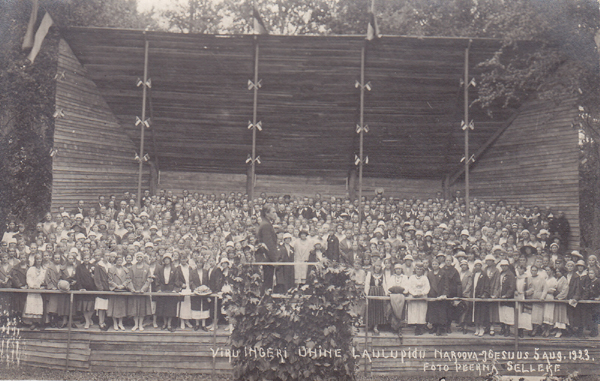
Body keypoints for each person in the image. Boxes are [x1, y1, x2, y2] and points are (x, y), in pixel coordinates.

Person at [154, 253, 182, 332]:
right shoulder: (160, 269)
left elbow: (177, 280)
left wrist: (175, 290)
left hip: (171, 289)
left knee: (170, 308)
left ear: (170, 260)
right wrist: (158, 289)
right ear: (163, 260)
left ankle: (169, 324)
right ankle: (164, 323)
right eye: (165, 259)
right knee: (163, 307)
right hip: (162, 289)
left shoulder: (175, 269)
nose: (167, 261)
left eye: (168, 259)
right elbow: (157, 280)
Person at [256, 205, 279, 293]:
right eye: (273, 212)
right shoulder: (266, 225)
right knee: (267, 284)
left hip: (268, 258)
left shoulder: (267, 224)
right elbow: (269, 245)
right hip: (267, 259)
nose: (275, 214)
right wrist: (275, 260)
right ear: (266, 213)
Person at [128, 252, 152, 331]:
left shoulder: (147, 267)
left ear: (143, 258)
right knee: (135, 308)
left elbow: (149, 279)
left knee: (142, 308)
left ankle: (140, 324)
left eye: (140, 257)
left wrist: (143, 289)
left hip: (142, 291)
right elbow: (128, 279)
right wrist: (132, 288)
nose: (139, 259)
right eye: (137, 257)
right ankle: (135, 324)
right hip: (135, 290)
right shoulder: (132, 267)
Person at [107, 255, 130, 331]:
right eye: (118, 260)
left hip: (122, 290)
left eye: (121, 260)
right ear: (115, 261)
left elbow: (128, 279)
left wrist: (123, 285)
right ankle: (115, 323)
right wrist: (116, 286)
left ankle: (120, 323)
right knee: (114, 307)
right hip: (115, 291)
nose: (119, 262)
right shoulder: (111, 269)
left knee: (121, 308)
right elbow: (109, 280)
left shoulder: (125, 269)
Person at [23, 254, 46, 330]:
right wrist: (33, 286)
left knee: (39, 306)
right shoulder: (31, 269)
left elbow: (44, 280)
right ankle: (32, 323)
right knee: (32, 305)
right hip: (32, 290)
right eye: (37, 259)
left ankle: (39, 323)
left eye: (40, 259)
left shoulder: (44, 270)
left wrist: (40, 286)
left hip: (40, 291)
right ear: (35, 260)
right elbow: (28, 279)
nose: (39, 261)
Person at [406, 262, 430, 335]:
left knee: (421, 312)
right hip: (414, 296)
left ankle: (420, 327)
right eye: (417, 269)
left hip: (422, 296)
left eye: (420, 269)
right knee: (414, 311)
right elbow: (409, 286)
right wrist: (414, 293)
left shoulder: (425, 278)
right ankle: (415, 326)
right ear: (415, 270)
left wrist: (422, 293)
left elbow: (427, 287)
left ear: (422, 270)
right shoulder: (412, 277)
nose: (419, 271)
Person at [427, 258, 448, 336]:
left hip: (440, 295)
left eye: (436, 264)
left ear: (439, 265)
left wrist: (444, 294)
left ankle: (440, 328)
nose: (434, 266)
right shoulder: (430, 274)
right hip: (432, 295)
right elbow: (427, 284)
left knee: (440, 313)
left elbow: (446, 285)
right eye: (433, 264)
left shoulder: (443, 273)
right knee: (433, 312)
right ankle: (434, 327)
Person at [364, 261, 386, 334]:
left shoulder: (382, 275)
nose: (378, 268)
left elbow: (384, 284)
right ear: (374, 266)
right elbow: (367, 284)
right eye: (376, 266)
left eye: (379, 266)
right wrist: (367, 293)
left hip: (379, 292)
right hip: (372, 292)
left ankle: (376, 326)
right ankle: (370, 324)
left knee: (378, 309)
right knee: (371, 308)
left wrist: (385, 293)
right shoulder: (370, 274)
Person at [76, 253, 97, 329]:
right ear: (82, 259)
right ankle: (87, 322)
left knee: (91, 307)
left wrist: (93, 277)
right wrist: (80, 288)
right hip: (83, 289)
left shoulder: (93, 266)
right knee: (84, 307)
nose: (86, 260)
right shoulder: (79, 267)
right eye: (85, 258)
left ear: (90, 258)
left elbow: (97, 278)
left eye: (88, 258)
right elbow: (78, 278)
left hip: (92, 289)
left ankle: (89, 319)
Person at [386, 263, 408, 336]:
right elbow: (389, 286)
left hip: (401, 297)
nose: (398, 270)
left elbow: (406, 286)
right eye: (396, 269)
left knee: (401, 311)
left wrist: (403, 291)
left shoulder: (404, 277)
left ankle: (400, 328)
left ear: (401, 270)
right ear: (394, 270)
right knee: (393, 311)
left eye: (399, 269)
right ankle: (394, 327)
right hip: (393, 296)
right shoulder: (392, 277)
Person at [470, 260, 489, 337]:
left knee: (481, 313)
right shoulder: (474, 274)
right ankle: (476, 328)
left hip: (480, 296)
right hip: (474, 295)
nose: (477, 267)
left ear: (481, 266)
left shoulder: (484, 275)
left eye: (479, 265)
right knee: (475, 313)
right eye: (476, 265)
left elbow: (487, 286)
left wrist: (484, 294)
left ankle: (481, 328)